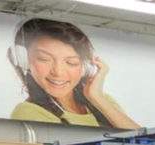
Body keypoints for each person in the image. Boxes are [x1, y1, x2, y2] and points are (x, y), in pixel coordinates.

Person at [8, 18, 140, 129]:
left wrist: (97, 97)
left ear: (86, 65)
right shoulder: (28, 112)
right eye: (44, 59)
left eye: (71, 62)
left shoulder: (103, 100)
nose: (58, 72)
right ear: (24, 60)